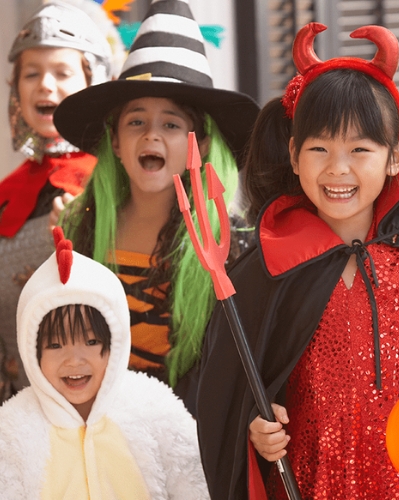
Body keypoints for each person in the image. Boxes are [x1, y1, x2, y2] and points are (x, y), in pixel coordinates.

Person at [196, 23, 399, 500]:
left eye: (360, 149)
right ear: (295, 155)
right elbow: (249, 390)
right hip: (310, 476)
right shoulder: (277, 264)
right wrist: (260, 429)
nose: (338, 168)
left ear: (396, 156)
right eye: (319, 148)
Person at [53, 0, 259, 414]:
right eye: (136, 121)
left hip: (188, 446)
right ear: (115, 141)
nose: (151, 135)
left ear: (197, 145)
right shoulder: (81, 230)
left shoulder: (235, 246)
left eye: (171, 124)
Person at [0, 227, 209, 499]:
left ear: (116, 341)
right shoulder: (12, 432)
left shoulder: (155, 409)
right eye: (55, 345)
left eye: (91, 342)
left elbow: (198, 487)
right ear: (31, 350)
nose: (74, 360)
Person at [0, 1, 115, 403]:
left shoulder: (114, 181)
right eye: (32, 74)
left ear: (93, 80)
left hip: (94, 403)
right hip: (16, 406)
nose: (45, 85)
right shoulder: (8, 192)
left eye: (62, 73)